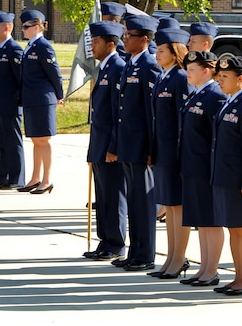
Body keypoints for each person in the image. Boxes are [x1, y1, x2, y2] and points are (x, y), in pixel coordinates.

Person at [107, 14, 161, 271]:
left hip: (141, 146)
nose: (125, 40)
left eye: (130, 36)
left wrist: (151, 148)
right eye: (125, 35)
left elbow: (151, 113)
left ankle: (146, 253)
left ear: (145, 39)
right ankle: (135, 250)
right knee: (133, 201)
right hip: (128, 143)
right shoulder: (130, 64)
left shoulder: (150, 66)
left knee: (143, 202)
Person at [210, 56, 242, 296]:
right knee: (233, 228)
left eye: (225, 77)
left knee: (241, 229)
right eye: (219, 76)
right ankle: (238, 277)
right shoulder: (229, 102)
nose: (220, 80)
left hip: (239, 181)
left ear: (241, 79)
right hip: (225, 177)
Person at [178, 50, 227, 286]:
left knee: (211, 220)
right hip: (192, 165)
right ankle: (204, 268)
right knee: (201, 220)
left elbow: (216, 138)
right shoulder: (196, 94)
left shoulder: (214, 96)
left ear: (206, 71)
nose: (187, 73)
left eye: (192, 69)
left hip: (205, 168)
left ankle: (212, 270)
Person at [82, 21, 128, 262]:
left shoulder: (118, 68)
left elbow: (117, 113)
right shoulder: (103, 68)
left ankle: (116, 243)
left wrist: (113, 146)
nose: (92, 45)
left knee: (114, 194)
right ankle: (105, 240)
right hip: (99, 143)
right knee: (103, 195)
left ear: (111, 44)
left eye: (96, 42)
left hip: (109, 145)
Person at [150, 28, 191, 279]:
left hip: (174, 152)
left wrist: (177, 151)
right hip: (162, 151)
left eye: (162, 50)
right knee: (170, 205)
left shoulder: (180, 78)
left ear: (175, 53)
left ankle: (179, 257)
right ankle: (171, 256)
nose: (157, 54)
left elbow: (181, 119)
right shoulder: (164, 76)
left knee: (178, 206)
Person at [18, 9, 63, 194]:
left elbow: (54, 73)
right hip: (32, 98)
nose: (23, 30)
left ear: (37, 27)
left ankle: (46, 179)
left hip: (43, 99)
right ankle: (35, 178)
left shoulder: (43, 46)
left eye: (26, 27)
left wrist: (59, 95)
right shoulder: (30, 45)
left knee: (43, 139)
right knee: (36, 139)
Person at [0, 11, 26, 189]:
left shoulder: (14, 49)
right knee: (0, 142)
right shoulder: (0, 49)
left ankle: (16, 177)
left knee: (13, 142)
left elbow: (20, 78)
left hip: (10, 103)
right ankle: (1, 175)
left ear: (7, 28)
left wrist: (18, 101)